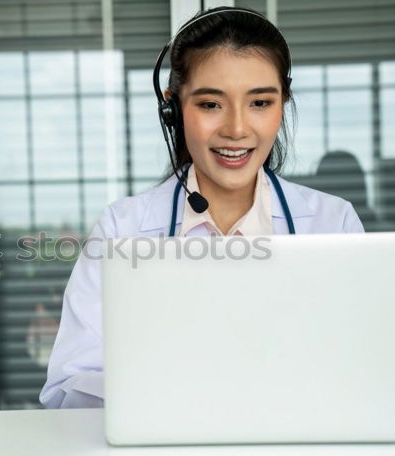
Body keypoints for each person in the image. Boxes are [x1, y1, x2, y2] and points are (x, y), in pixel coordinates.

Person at [39, 6, 364, 409]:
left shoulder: (334, 224)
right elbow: (69, 390)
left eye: (260, 103)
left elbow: (364, 374)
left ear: (282, 105)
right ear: (173, 109)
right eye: (211, 104)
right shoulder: (122, 227)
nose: (237, 128)